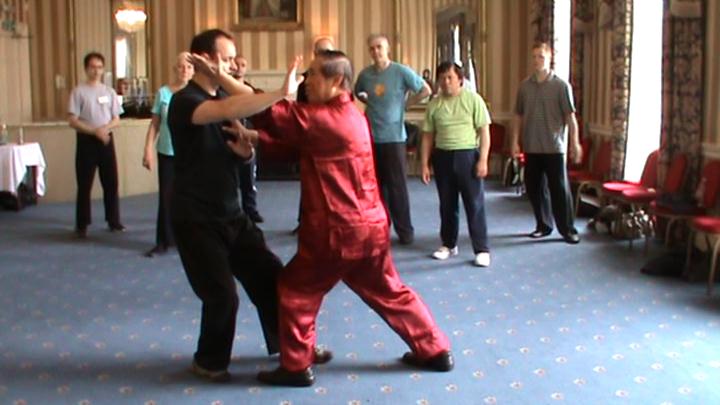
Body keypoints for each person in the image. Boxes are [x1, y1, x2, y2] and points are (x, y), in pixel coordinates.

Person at [246, 50, 452, 387]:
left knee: (296, 288)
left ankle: (296, 365)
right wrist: (256, 139)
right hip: (369, 227)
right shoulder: (352, 115)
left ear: (337, 81)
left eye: (313, 74)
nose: (306, 81)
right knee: (390, 291)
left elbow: (272, 113)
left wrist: (230, 82)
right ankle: (435, 349)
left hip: (336, 231)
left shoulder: (324, 117)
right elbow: (304, 145)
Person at [167, 29, 302, 382]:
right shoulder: (185, 101)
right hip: (195, 216)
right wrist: (278, 95)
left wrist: (246, 156)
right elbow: (225, 109)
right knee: (222, 295)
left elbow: (234, 145)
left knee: (272, 277)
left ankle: (291, 348)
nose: (231, 66)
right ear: (205, 60)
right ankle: (208, 362)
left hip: (231, 211)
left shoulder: (227, 97)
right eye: (225, 59)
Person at [355, 34, 431, 245]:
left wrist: (406, 104)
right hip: (372, 138)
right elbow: (357, 91)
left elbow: (425, 89)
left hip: (395, 138)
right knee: (377, 188)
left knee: (398, 187)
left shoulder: (400, 71)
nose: (375, 51)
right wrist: (368, 102)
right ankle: (380, 230)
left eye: (379, 47)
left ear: (387, 48)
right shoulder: (366, 75)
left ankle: (405, 231)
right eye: (371, 48)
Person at [420, 62, 491, 267]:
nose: (446, 82)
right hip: (442, 156)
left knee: (474, 204)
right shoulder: (434, 104)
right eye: (442, 78)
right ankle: (449, 244)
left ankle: (481, 249)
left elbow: (484, 132)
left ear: (460, 79)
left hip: (468, 155)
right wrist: (425, 164)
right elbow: (427, 136)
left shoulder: (473, 100)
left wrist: (483, 160)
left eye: (450, 77)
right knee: (447, 204)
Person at [510, 42, 582, 245]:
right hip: (531, 146)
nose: (536, 61)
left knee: (559, 189)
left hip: (554, 147)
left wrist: (574, 143)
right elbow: (517, 116)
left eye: (541, 57)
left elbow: (570, 117)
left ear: (550, 58)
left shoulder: (561, 86)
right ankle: (543, 225)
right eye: (534, 57)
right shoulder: (524, 86)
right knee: (534, 188)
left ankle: (567, 229)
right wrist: (514, 142)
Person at [141, 52, 194, 257]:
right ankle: (163, 240)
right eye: (181, 67)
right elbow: (155, 124)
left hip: (190, 153)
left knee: (189, 198)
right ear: (175, 69)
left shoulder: (194, 94)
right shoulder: (163, 93)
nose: (184, 71)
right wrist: (148, 149)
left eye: (188, 67)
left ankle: (188, 241)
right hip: (167, 152)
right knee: (166, 197)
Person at [67, 52, 124, 238]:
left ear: (103, 69)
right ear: (86, 69)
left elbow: (117, 119)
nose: (96, 71)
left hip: (106, 139)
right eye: (92, 67)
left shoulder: (109, 92)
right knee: (84, 184)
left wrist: (104, 129)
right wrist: (94, 131)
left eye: (99, 67)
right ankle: (82, 224)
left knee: (111, 182)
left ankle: (113, 221)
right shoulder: (78, 91)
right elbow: (73, 120)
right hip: (86, 141)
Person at [290, 35, 335, 234]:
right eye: (319, 52)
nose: (322, 56)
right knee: (308, 182)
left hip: (332, 138)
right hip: (310, 135)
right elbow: (299, 110)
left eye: (326, 52)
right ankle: (304, 222)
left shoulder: (339, 77)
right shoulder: (304, 81)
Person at [231, 55, 264, 223]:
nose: (239, 68)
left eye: (243, 64)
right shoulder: (224, 90)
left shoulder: (250, 90)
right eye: (236, 64)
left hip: (249, 138)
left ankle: (250, 210)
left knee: (249, 177)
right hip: (229, 138)